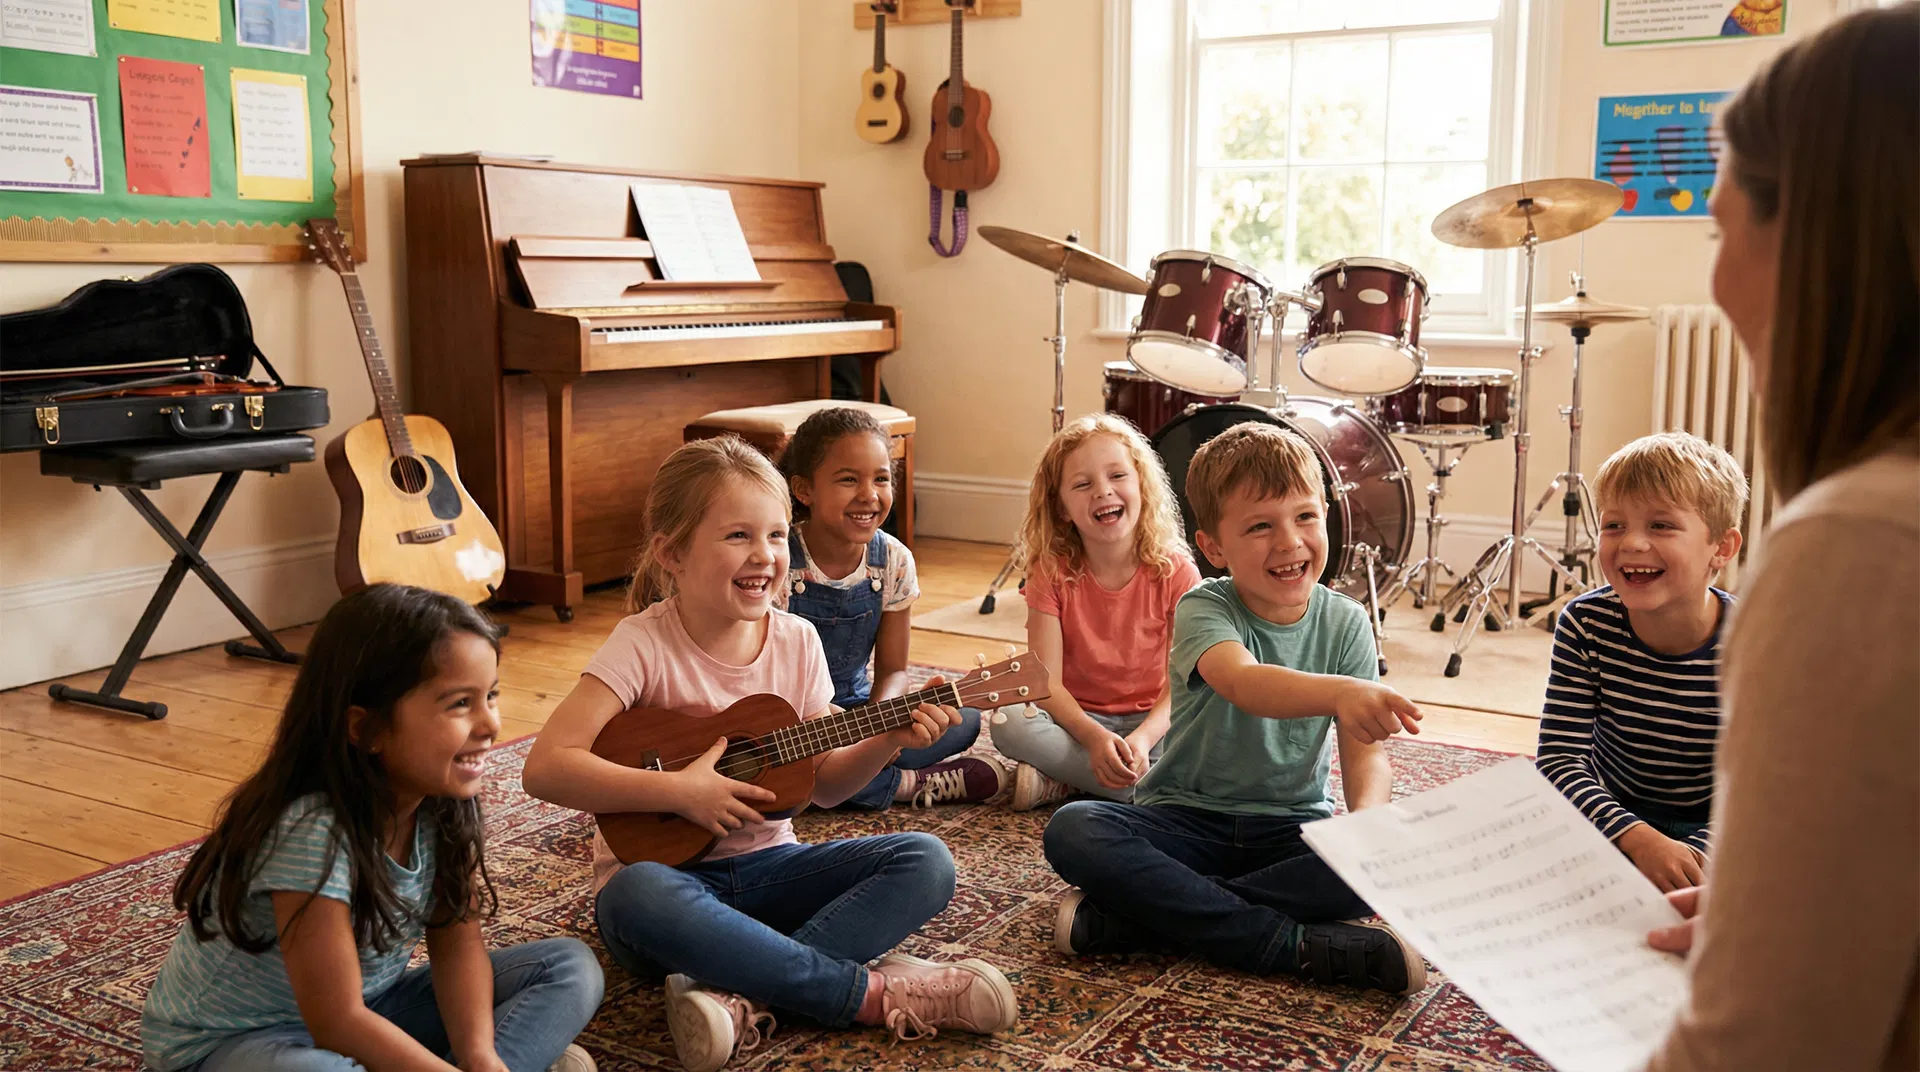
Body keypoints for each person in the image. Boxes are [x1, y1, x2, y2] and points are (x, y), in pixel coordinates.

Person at [520, 437, 1017, 1072]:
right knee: (632, 893)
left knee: (925, 860)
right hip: (669, 891)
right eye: (738, 536)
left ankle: (740, 993)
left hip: (772, 871)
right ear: (671, 553)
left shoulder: (797, 641)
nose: (765, 556)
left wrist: (890, 736)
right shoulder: (642, 643)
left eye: (778, 536)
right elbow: (546, 766)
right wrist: (678, 792)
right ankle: (867, 993)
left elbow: (831, 788)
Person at [1642, 6, 1918, 1069]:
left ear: (1814, 240)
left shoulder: (1859, 546)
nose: (1715, 275)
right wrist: (1797, 919)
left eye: (1720, 229)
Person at [142, 585, 603, 1072]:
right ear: (366, 729)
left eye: (490, 695)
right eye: (459, 704)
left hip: (370, 1008)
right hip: (235, 1046)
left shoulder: (442, 802)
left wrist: (482, 1057)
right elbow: (335, 1020)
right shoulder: (310, 831)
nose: (489, 723)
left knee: (570, 968)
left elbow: (458, 947)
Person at [1041, 422, 1429, 994]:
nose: (1290, 541)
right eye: (1260, 527)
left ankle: (1149, 917)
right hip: (1183, 820)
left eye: (1304, 517)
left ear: (1326, 514)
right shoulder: (1205, 605)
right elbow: (1244, 682)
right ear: (1214, 547)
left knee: (1387, 854)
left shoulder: (1346, 621)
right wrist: (1342, 692)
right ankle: (1288, 943)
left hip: (1290, 831)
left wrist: (1369, 819)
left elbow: (1365, 755)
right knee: (1075, 828)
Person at [1535, 433, 1746, 892]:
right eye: (1613, 526)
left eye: (1661, 526)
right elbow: (1559, 759)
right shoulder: (1586, 622)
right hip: (1614, 818)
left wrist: (1695, 855)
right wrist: (1637, 838)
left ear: (1722, 548)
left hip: (1723, 830)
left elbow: (1762, 787)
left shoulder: (1753, 637)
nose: (1631, 543)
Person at [779, 408, 1005, 809]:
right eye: (849, 479)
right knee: (779, 772)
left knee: (962, 718)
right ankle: (907, 785)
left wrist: (879, 724)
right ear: (804, 490)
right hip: (790, 720)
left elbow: (895, 670)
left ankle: (847, 778)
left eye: (881, 479)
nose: (869, 494)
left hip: (857, 710)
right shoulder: (779, 561)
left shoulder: (893, 560)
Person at [989, 413, 1202, 810]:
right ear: (1063, 509)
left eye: (1118, 476)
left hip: (1155, 726)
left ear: (1143, 485)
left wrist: (1141, 740)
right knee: (1010, 722)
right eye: (1083, 485)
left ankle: (1068, 782)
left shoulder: (1177, 572)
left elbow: (1183, 686)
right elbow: (1046, 684)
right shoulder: (1050, 571)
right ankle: (1151, 795)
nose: (1103, 492)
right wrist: (1093, 738)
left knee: (1215, 724)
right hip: (1076, 721)